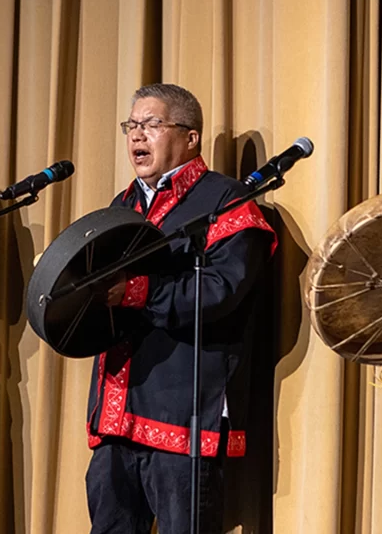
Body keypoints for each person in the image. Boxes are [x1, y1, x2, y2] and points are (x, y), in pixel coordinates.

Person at [86, 83, 277, 534]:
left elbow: (221, 291)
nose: (137, 136)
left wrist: (137, 292)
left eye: (151, 125)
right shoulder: (124, 205)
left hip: (183, 418)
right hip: (115, 416)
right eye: (131, 126)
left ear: (191, 138)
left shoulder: (226, 201)